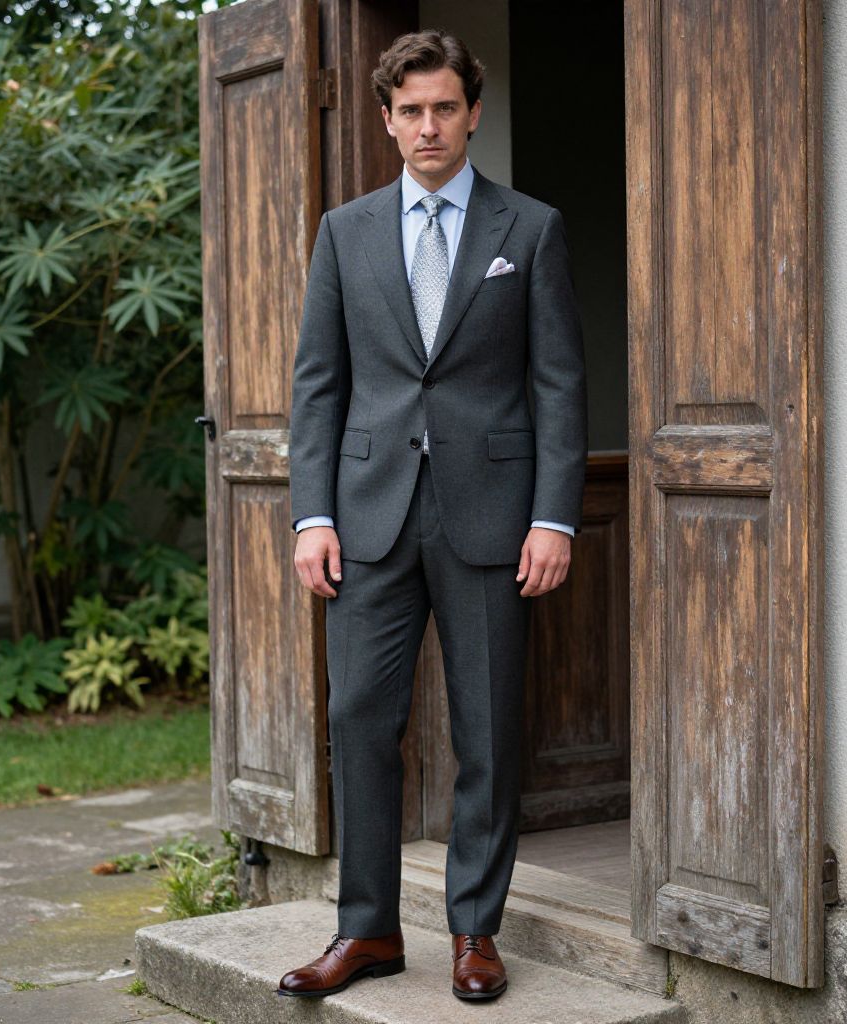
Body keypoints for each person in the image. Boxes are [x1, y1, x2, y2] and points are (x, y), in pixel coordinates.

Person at [277, 28, 587, 1001]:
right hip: (367, 518)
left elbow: (558, 384)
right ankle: (366, 929)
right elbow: (318, 385)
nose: (427, 126)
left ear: (472, 112)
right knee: (359, 719)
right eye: (409, 110)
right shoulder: (345, 231)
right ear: (385, 119)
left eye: (444, 107)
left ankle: (473, 932)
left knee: (487, 731)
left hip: (492, 518)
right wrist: (311, 515)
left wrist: (554, 518)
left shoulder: (528, 229)